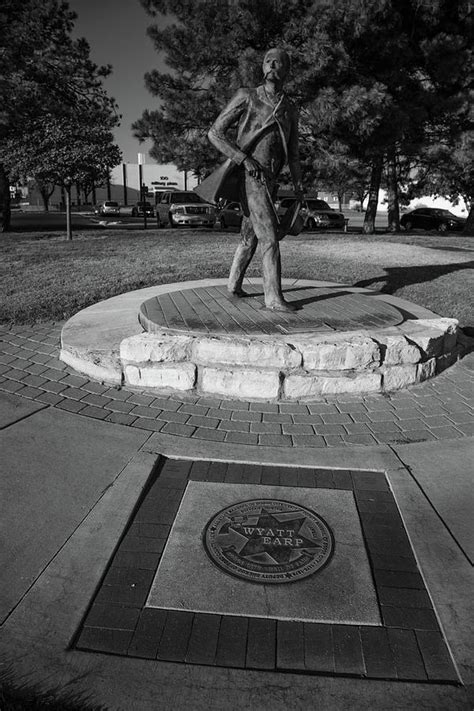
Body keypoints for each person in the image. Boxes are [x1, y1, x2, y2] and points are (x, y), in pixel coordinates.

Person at [207, 48, 304, 312]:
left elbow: (293, 155)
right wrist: (243, 159)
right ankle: (272, 298)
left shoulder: (290, 108)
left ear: (286, 70)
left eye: (279, 62)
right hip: (249, 175)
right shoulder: (247, 96)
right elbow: (215, 133)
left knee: (249, 236)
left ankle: (233, 285)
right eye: (268, 61)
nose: (272, 65)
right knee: (270, 237)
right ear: (262, 67)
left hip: (270, 180)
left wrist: (298, 185)